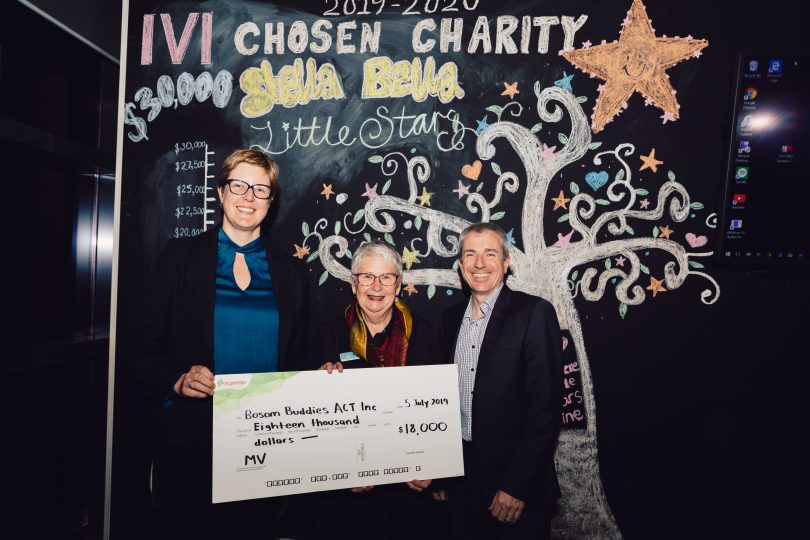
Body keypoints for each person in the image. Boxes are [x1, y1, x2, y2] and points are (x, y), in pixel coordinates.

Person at [126, 149, 309, 540]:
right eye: (238, 185)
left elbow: (299, 359)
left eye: (261, 189)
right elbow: (140, 349)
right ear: (221, 192)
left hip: (266, 446)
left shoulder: (291, 273)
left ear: (271, 201)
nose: (249, 197)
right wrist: (176, 380)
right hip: (190, 445)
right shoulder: (179, 257)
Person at [311, 240, 448, 540]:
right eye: (367, 276)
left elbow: (441, 412)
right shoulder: (326, 334)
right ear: (352, 283)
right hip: (344, 499)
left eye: (386, 277)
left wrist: (434, 469)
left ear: (398, 285)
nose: (376, 286)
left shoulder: (425, 334)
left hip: (409, 495)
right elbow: (313, 426)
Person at [439, 222, 563, 540]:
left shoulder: (534, 312)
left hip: (514, 485)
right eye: (470, 254)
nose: (479, 264)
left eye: (490, 253)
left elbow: (545, 410)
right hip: (460, 482)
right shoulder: (448, 320)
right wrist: (440, 472)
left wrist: (515, 485)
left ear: (506, 263)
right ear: (460, 264)